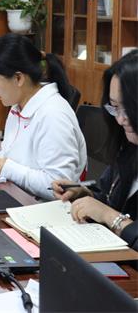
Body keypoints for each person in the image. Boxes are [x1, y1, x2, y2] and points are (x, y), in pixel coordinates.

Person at [0, 33, 86, 199]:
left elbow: (58, 187)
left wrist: (1, 165)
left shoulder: (53, 115)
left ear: (18, 78)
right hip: (17, 197)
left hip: (43, 209)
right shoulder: (18, 107)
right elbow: (16, 160)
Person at [51, 50, 138, 249]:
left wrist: (110, 216)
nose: (120, 119)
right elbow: (109, 197)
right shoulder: (129, 148)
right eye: (115, 107)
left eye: (129, 109)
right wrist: (83, 195)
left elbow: (110, 212)